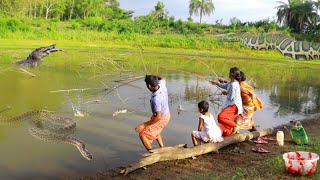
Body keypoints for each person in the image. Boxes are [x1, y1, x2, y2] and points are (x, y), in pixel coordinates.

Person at [135, 75, 170, 151]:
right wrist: (152, 77)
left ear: (149, 86)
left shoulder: (156, 99)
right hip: (166, 114)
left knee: (143, 134)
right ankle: (162, 148)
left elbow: (158, 117)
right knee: (155, 129)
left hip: (161, 118)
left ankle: (152, 154)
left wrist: (143, 125)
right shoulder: (161, 85)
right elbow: (163, 78)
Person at [209, 67, 243, 136]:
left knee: (220, 117)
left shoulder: (234, 85)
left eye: (229, 72)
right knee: (228, 119)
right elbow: (224, 85)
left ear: (232, 74)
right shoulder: (232, 82)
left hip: (234, 105)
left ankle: (235, 126)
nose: (228, 74)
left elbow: (231, 97)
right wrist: (216, 83)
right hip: (232, 105)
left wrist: (225, 93)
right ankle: (228, 135)